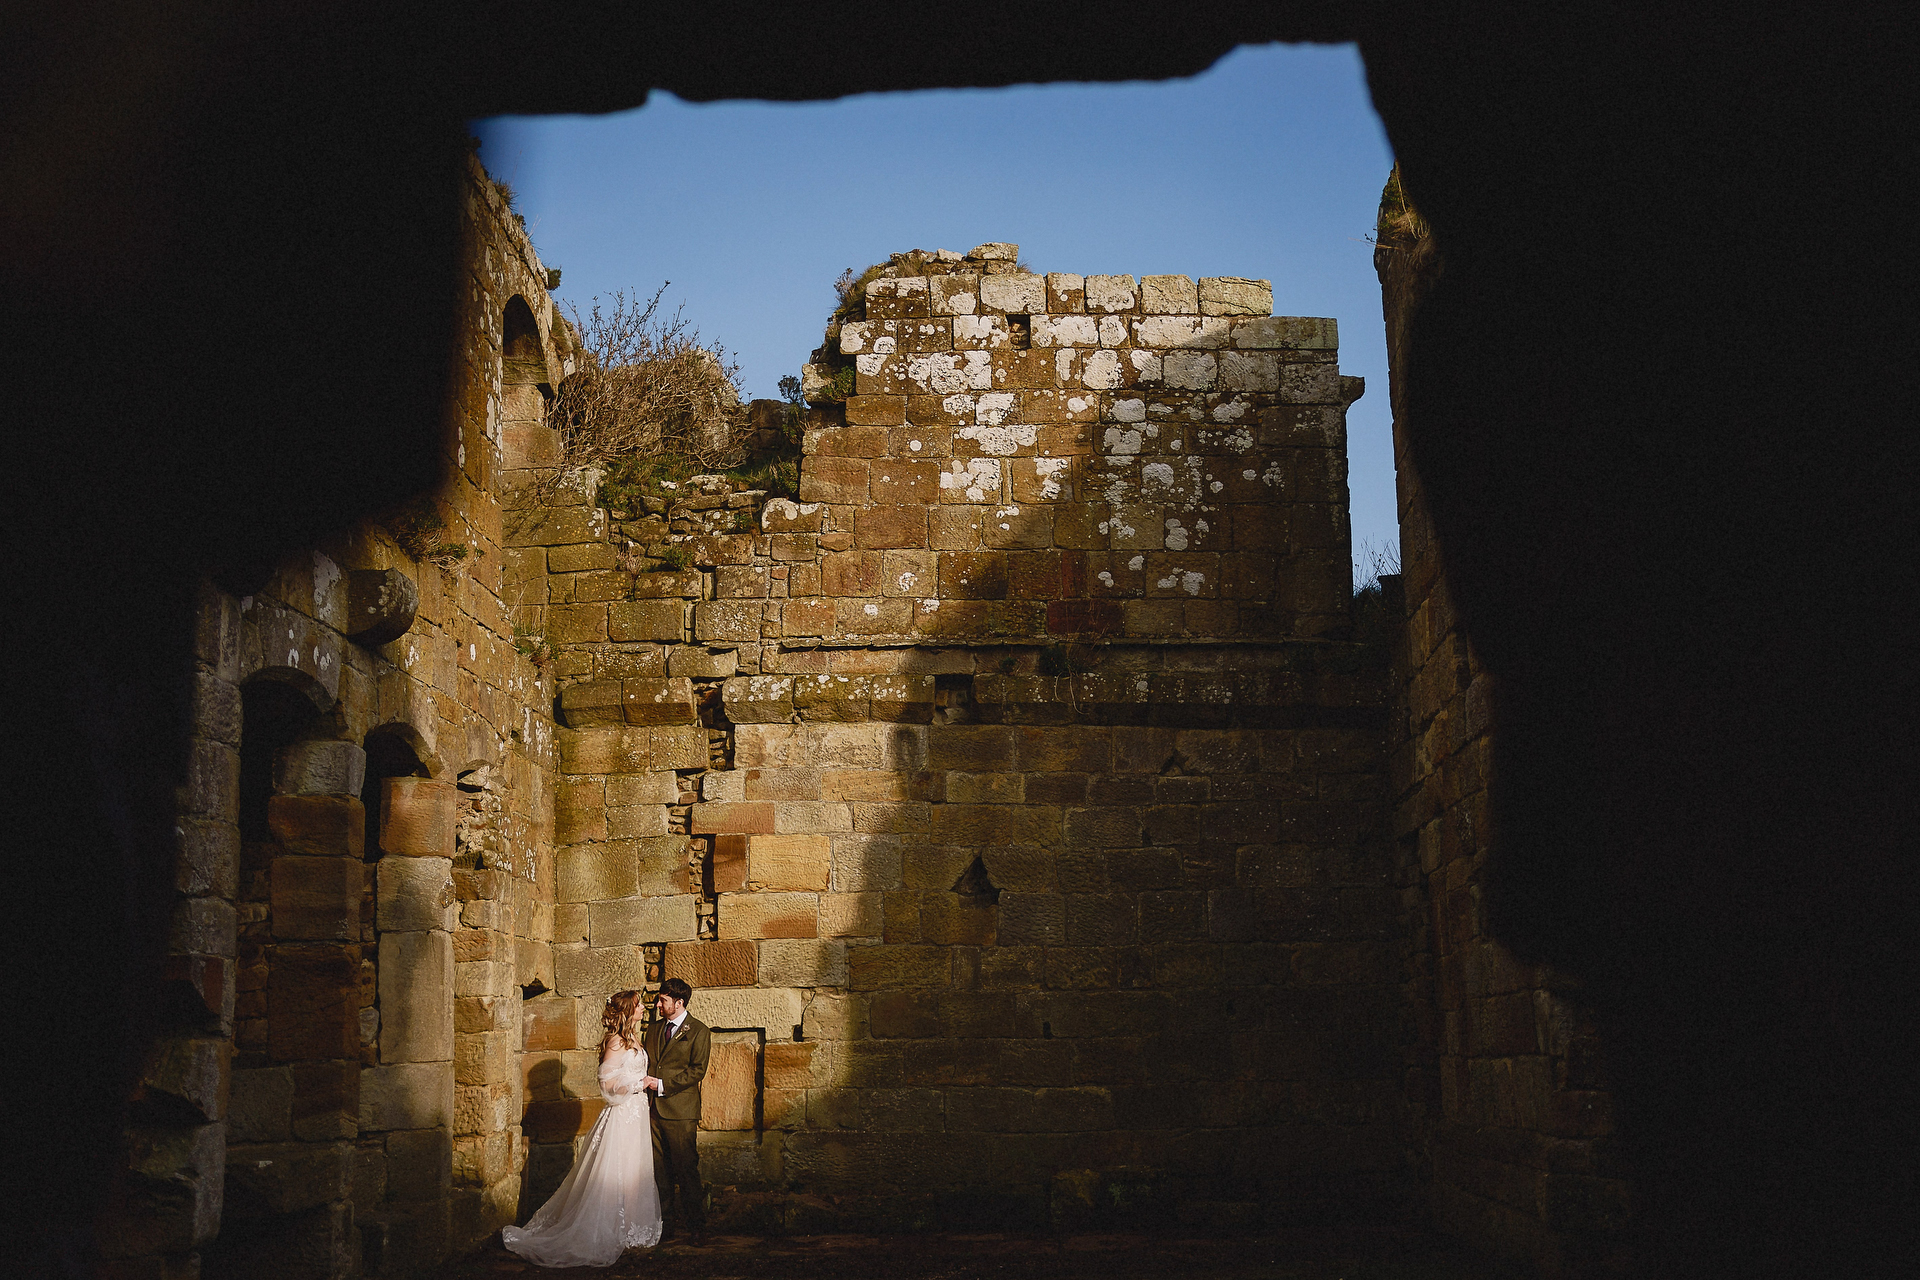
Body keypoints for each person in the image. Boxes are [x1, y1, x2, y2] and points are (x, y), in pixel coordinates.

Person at [500, 990, 662, 1266]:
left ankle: (631, 1228)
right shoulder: (615, 1041)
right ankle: (607, 1228)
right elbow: (607, 1086)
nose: (644, 1008)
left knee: (635, 1169)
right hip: (622, 1115)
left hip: (636, 1114)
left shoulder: (633, 1037)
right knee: (615, 1172)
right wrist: (639, 1084)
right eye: (639, 1005)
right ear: (627, 1010)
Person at [641, 978, 711, 1244]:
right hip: (652, 1111)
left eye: (663, 1001)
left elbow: (697, 1070)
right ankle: (665, 1227)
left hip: (681, 1112)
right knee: (659, 1171)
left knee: (686, 1169)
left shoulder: (699, 1031)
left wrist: (662, 1085)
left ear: (679, 1003)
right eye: (659, 999)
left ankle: (697, 1227)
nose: (658, 1004)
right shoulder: (654, 1029)